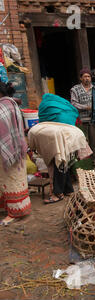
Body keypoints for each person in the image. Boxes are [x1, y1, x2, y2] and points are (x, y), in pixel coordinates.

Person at [0, 82, 31, 225]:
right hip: (16, 148)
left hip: (8, 152)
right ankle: (12, 208)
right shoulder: (11, 103)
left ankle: (15, 211)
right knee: (16, 179)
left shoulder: (3, 106)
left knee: (11, 180)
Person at [70, 67, 95, 168]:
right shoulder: (75, 89)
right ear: (81, 78)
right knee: (82, 142)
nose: (87, 78)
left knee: (94, 141)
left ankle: (94, 161)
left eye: (89, 76)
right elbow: (73, 103)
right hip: (81, 120)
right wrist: (86, 107)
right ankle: (83, 162)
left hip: (94, 120)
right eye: (85, 76)